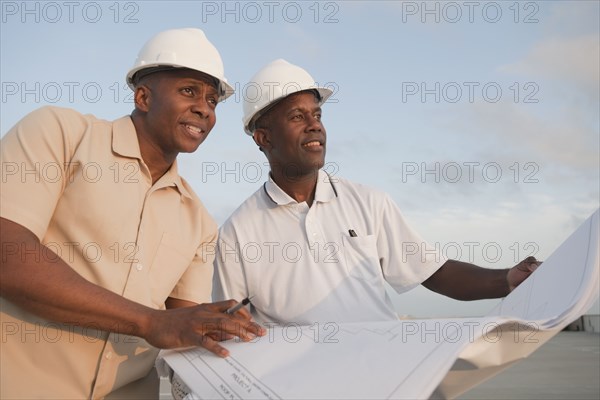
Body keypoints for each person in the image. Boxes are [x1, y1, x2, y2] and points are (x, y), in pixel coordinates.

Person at [0, 28, 265, 399]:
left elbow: (182, 326)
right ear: (143, 96)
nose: (204, 108)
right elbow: (8, 256)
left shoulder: (200, 222)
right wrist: (149, 321)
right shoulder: (60, 134)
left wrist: (217, 326)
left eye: (213, 100)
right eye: (189, 91)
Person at [213, 59, 540, 325]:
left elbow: (435, 272)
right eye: (297, 117)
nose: (315, 125)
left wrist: (508, 279)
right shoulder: (237, 233)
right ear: (263, 138)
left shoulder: (369, 203)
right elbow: (231, 323)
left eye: (317, 115)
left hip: (380, 376)